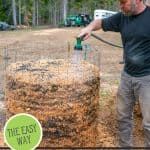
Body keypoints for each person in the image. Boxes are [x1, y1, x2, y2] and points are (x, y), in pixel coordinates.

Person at [78, 0, 150, 147]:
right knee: (123, 117)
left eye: (124, 2)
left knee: (149, 122)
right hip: (127, 76)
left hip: (147, 79)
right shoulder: (122, 17)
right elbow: (100, 22)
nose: (120, 6)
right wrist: (89, 28)